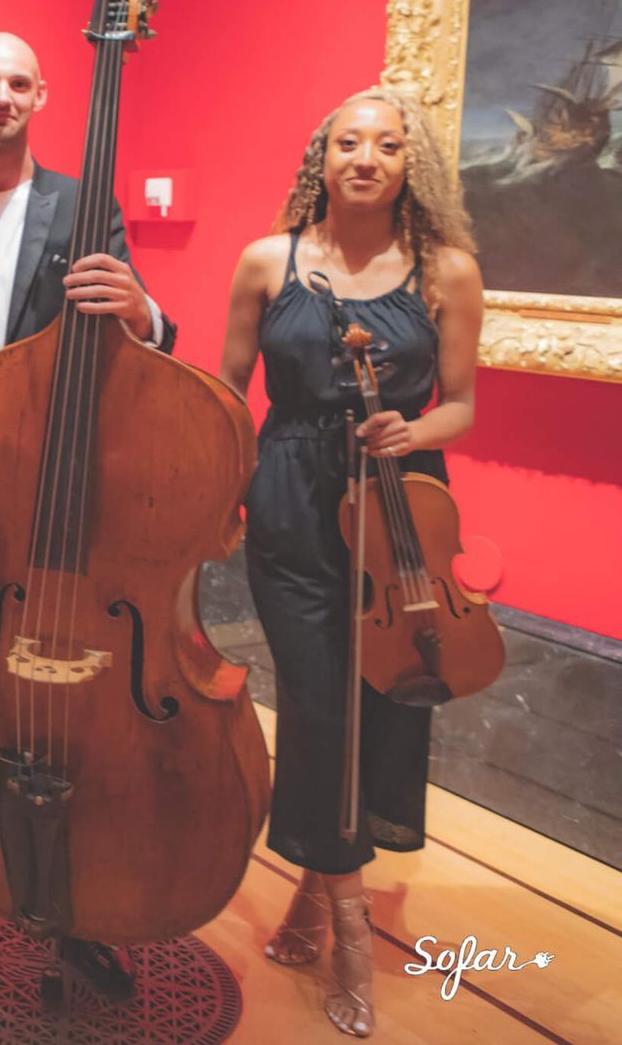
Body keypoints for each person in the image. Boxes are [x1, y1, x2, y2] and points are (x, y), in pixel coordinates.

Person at [0, 31, 171, 999]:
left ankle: (71, 864)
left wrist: (143, 309)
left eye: (18, 81)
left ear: (43, 95)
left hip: (52, 492)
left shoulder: (82, 207)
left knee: (57, 686)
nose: (1, 95)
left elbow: (142, 332)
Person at [219, 86, 483, 1039]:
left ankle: (306, 893)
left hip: (398, 512)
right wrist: (215, 499)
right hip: (290, 501)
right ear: (319, 159)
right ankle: (351, 923)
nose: (364, 157)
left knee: (379, 707)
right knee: (321, 703)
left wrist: (409, 427)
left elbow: (460, 405)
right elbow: (223, 393)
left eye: (386, 145)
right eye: (346, 143)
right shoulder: (267, 260)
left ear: (411, 167)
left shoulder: (447, 270)